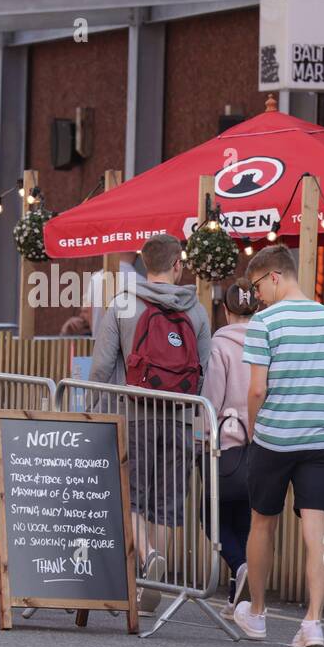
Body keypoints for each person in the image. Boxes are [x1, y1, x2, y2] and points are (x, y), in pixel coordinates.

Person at [232, 246, 324, 647]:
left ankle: (256, 614)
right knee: (317, 528)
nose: (256, 298)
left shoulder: (265, 322)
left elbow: (256, 388)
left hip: (272, 437)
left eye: (256, 288)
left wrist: (255, 433)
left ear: (274, 277)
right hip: (318, 439)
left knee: (262, 523)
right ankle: (313, 623)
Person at [90, 233, 211, 615]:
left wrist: (91, 410)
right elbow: (203, 370)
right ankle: (153, 585)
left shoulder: (124, 304)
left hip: (134, 413)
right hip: (178, 415)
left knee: (130, 495)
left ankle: (148, 556)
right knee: (167, 503)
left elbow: (101, 367)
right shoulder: (197, 310)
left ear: (144, 263)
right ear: (177, 265)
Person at [200, 279, 260, 616]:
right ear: (257, 308)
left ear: (225, 310)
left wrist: (202, 439)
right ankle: (240, 595)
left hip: (224, 446)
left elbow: (212, 399)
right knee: (244, 518)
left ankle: (239, 566)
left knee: (209, 515)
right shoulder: (268, 342)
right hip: (261, 443)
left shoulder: (218, 346)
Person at [88, 251, 143, 334]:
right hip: (125, 345)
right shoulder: (140, 281)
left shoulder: (95, 278)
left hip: (97, 342)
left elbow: (90, 315)